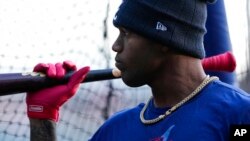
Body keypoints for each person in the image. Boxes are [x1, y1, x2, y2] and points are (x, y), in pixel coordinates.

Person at [26, 0, 250, 141]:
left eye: (126, 33)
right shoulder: (114, 130)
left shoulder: (239, 115)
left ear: (165, 37)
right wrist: (42, 117)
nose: (116, 46)